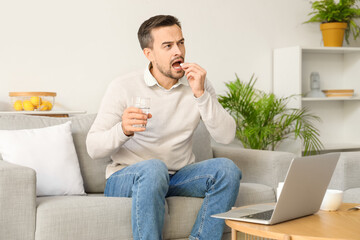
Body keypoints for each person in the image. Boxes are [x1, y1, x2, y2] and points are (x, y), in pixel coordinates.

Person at [86, 15, 241, 240]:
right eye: (167, 46)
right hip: (128, 177)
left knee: (227, 170)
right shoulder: (123, 87)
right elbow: (93, 148)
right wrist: (123, 130)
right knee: (153, 169)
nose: (178, 51)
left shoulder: (198, 83)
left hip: (177, 177)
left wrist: (201, 95)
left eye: (181, 42)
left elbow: (226, 136)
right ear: (149, 54)